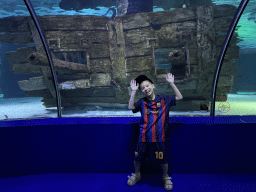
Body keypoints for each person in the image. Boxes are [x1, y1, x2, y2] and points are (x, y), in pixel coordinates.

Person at [127, 73, 183, 191]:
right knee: (138, 158)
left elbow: (179, 97)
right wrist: (133, 91)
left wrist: (172, 83)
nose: (146, 89)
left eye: (147, 86)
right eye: (143, 88)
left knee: (163, 159)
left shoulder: (164, 99)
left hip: (159, 137)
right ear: (141, 91)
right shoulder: (141, 102)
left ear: (153, 86)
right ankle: (137, 174)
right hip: (143, 136)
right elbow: (131, 107)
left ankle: (165, 177)